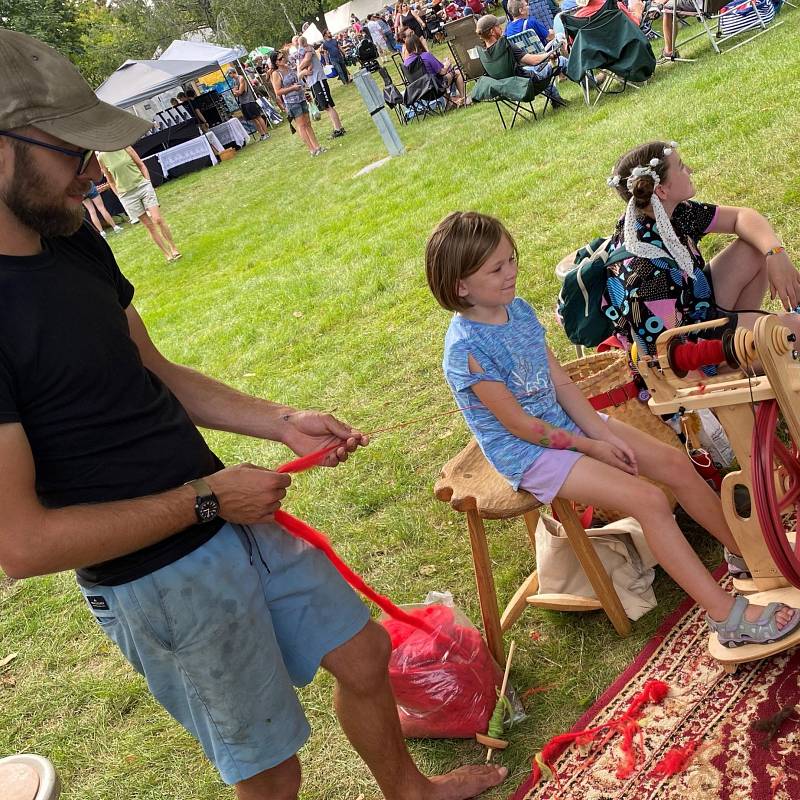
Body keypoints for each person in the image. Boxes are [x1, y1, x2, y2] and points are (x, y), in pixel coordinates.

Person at [0, 28, 508, 800]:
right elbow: (24, 543)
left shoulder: (70, 245)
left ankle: (413, 793)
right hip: (158, 579)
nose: (96, 170)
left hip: (223, 513)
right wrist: (204, 499)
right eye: (73, 148)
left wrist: (279, 420)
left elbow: (155, 372)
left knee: (365, 658)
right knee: (270, 773)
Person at [425, 210, 800, 651]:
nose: (511, 273)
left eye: (511, 259)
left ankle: (746, 555)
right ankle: (727, 618)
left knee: (675, 464)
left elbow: (560, 383)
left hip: (564, 426)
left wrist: (604, 434)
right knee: (649, 500)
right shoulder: (466, 350)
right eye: (496, 268)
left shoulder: (517, 310)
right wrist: (593, 446)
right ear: (460, 286)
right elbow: (522, 426)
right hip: (529, 453)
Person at [602, 140, 800, 357]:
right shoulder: (645, 275)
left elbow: (741, 217)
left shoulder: (666, 211)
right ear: (661, 190)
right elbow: (666, 358)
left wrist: (775, 253)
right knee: (790, 334)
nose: (689, 170)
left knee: (754, 246)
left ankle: (749, 335)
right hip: (689, 352)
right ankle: (747, 358)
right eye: (680, 166)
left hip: (696, 306)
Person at [97, 147, 180, 262]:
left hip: (143, 186)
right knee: (149, 226)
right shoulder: (101, 157)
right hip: (127, 195)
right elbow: (110, 180)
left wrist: (148, 183)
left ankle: (173, 248)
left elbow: (141, 165)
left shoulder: (125, 147)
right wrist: (120, 196)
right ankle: (167, 254)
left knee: (157, 219)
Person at [475, 14, 568, 107]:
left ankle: (556, 101)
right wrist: (549, 54)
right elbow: (533, 61)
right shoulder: (506, 46)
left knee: (533, 68)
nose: (501, 28)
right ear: (492, 31)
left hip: (508, 90)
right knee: (561, 60)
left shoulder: (483, 54)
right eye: (498, 26)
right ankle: (582, 81)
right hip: (527, 85)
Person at [269, 50, 325, 156]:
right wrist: (292, 88)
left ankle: (318, 147)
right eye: (280, 59)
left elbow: (298, 81)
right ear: (276, 62)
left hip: (301, 97)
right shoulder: (276, 74)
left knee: (308, 123)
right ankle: (312, 149)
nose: (283, 59)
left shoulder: (289, 68)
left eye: (283, 57)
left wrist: (304, 91)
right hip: (291, 102)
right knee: (302, 125)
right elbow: (278, 91)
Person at [297, 36, 346, 139]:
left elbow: (307, 62)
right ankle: (337, 128)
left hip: (318, 80)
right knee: (325, 106)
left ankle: (339, 129)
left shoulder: (308, 49)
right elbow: (302, 71)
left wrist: (300, 69)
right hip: (313, 83)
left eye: (298, 43)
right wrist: (301, 71)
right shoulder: (301, 53)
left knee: (328, 105)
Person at [403, 33, 470, 107]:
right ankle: (464, 99)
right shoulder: (425, 55)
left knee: (439, 78)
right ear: (419, 43)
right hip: (435, 89)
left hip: (420, 93)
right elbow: (442, 72)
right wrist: (447, 64)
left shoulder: (406, 63)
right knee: (457, 72)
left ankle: (449, 103)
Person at [227, 67, 270, 141]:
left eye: (229, 74)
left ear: (232, 72)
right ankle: (262, 134)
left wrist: (235, 91)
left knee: (258, 117)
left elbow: (240, 92)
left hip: (249, 101)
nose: (229, 76)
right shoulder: (234, 81)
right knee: (253, 119)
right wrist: (235, 92)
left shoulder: (241, 78)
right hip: (243, 102)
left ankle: (266, 133)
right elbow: (234, 93)